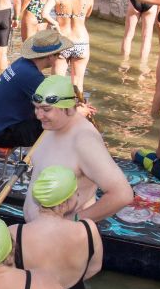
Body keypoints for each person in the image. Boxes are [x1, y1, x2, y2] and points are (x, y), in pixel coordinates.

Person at [24, 75, 133, 222]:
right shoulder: (52, 126)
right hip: (37, 230)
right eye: (36, 108)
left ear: (68, 108)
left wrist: (71, 221)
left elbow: (122, 194)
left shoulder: (85, 141)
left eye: (46, 109)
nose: (39, 115)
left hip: (63, 233)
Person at [0, 30, 72, 148]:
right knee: (60, 121)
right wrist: (77, 112)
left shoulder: (22, 63)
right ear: (50, 56)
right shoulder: (31, 75)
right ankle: (50, 158)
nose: (59, 57)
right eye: (58, 54)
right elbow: (55, 108)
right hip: (2, 134)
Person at [46, 0, 94, 94]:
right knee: (78, 83)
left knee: (57, 82)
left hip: (62, 41)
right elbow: (88, 14)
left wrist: (55, 23)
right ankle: (78, 105)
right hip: (81, 42)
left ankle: (56, 106)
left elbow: (44, 13)